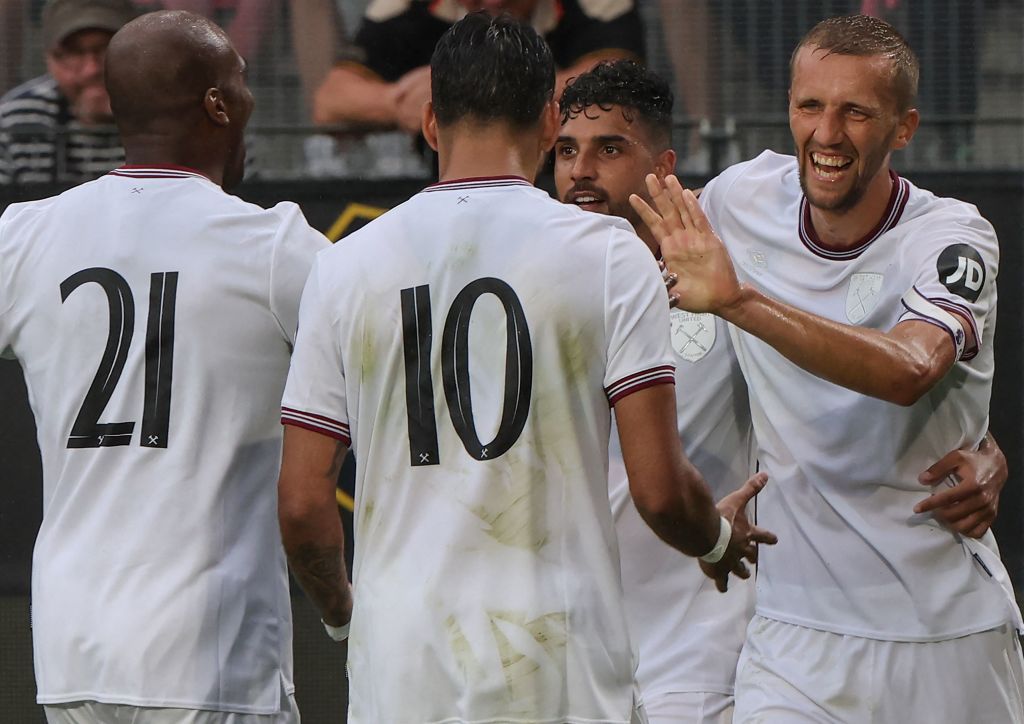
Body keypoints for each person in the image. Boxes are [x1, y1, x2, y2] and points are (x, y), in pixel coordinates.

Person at [277, 11, 774, 723]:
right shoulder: (609, 255)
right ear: (548, 125)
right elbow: (660, 492)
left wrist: (343, 618)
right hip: (560, 666)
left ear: (427, 123)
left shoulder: (344, 266)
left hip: (402, 666)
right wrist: (718, 541)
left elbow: (301, 504)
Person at [556, 57, 1010, 724]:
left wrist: (980, 444)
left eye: (854, 111)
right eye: (566, 152)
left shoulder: (724, 242)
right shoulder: (529, 293)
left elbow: (908, 370)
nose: (583, 173)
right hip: (625, 646)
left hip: (728, 653)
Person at [0, 10, 328, 723]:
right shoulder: (275, 247)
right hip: (213, 659)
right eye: (240, 84)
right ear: (217, 104)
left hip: (72, 656)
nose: (248, 100)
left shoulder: (22, 237)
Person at [312, 0, 645, 135]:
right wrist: (396, 102)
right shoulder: (408, 6)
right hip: (445, 185)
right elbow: (330, 100)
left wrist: (470, 88)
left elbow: (619, 77)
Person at [0, 0, 136, 185]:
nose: (92, 69)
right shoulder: (16, 121)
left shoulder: (169, 114)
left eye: (106, 48)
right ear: (50, 61)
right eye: (74, 53)